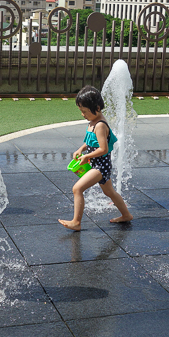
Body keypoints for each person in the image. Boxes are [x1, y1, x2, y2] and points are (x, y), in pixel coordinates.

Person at [59, 85, 133, 231]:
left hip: (101, 166)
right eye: (81, 111)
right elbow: (90, 141)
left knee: (77, 189)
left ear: (97, 108)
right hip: (97, 164)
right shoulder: (93, 122)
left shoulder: (100, 125)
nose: (83, 114)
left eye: (85, 111)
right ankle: (126, 215)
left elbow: (103, 149)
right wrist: (81, 149)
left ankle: (76, 222)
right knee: (109, 192)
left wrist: (87, 156)